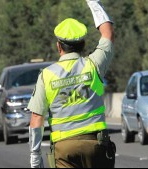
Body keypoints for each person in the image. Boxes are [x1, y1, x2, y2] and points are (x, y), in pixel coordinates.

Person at [28, 0, 115, 168]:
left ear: (58, 46)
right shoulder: (94, 65)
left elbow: (36, 118)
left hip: (64, 148)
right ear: (82, 44)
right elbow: (108, 34)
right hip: (95, 144)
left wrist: (35, 155)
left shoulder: (46, 76)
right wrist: (94, 3)